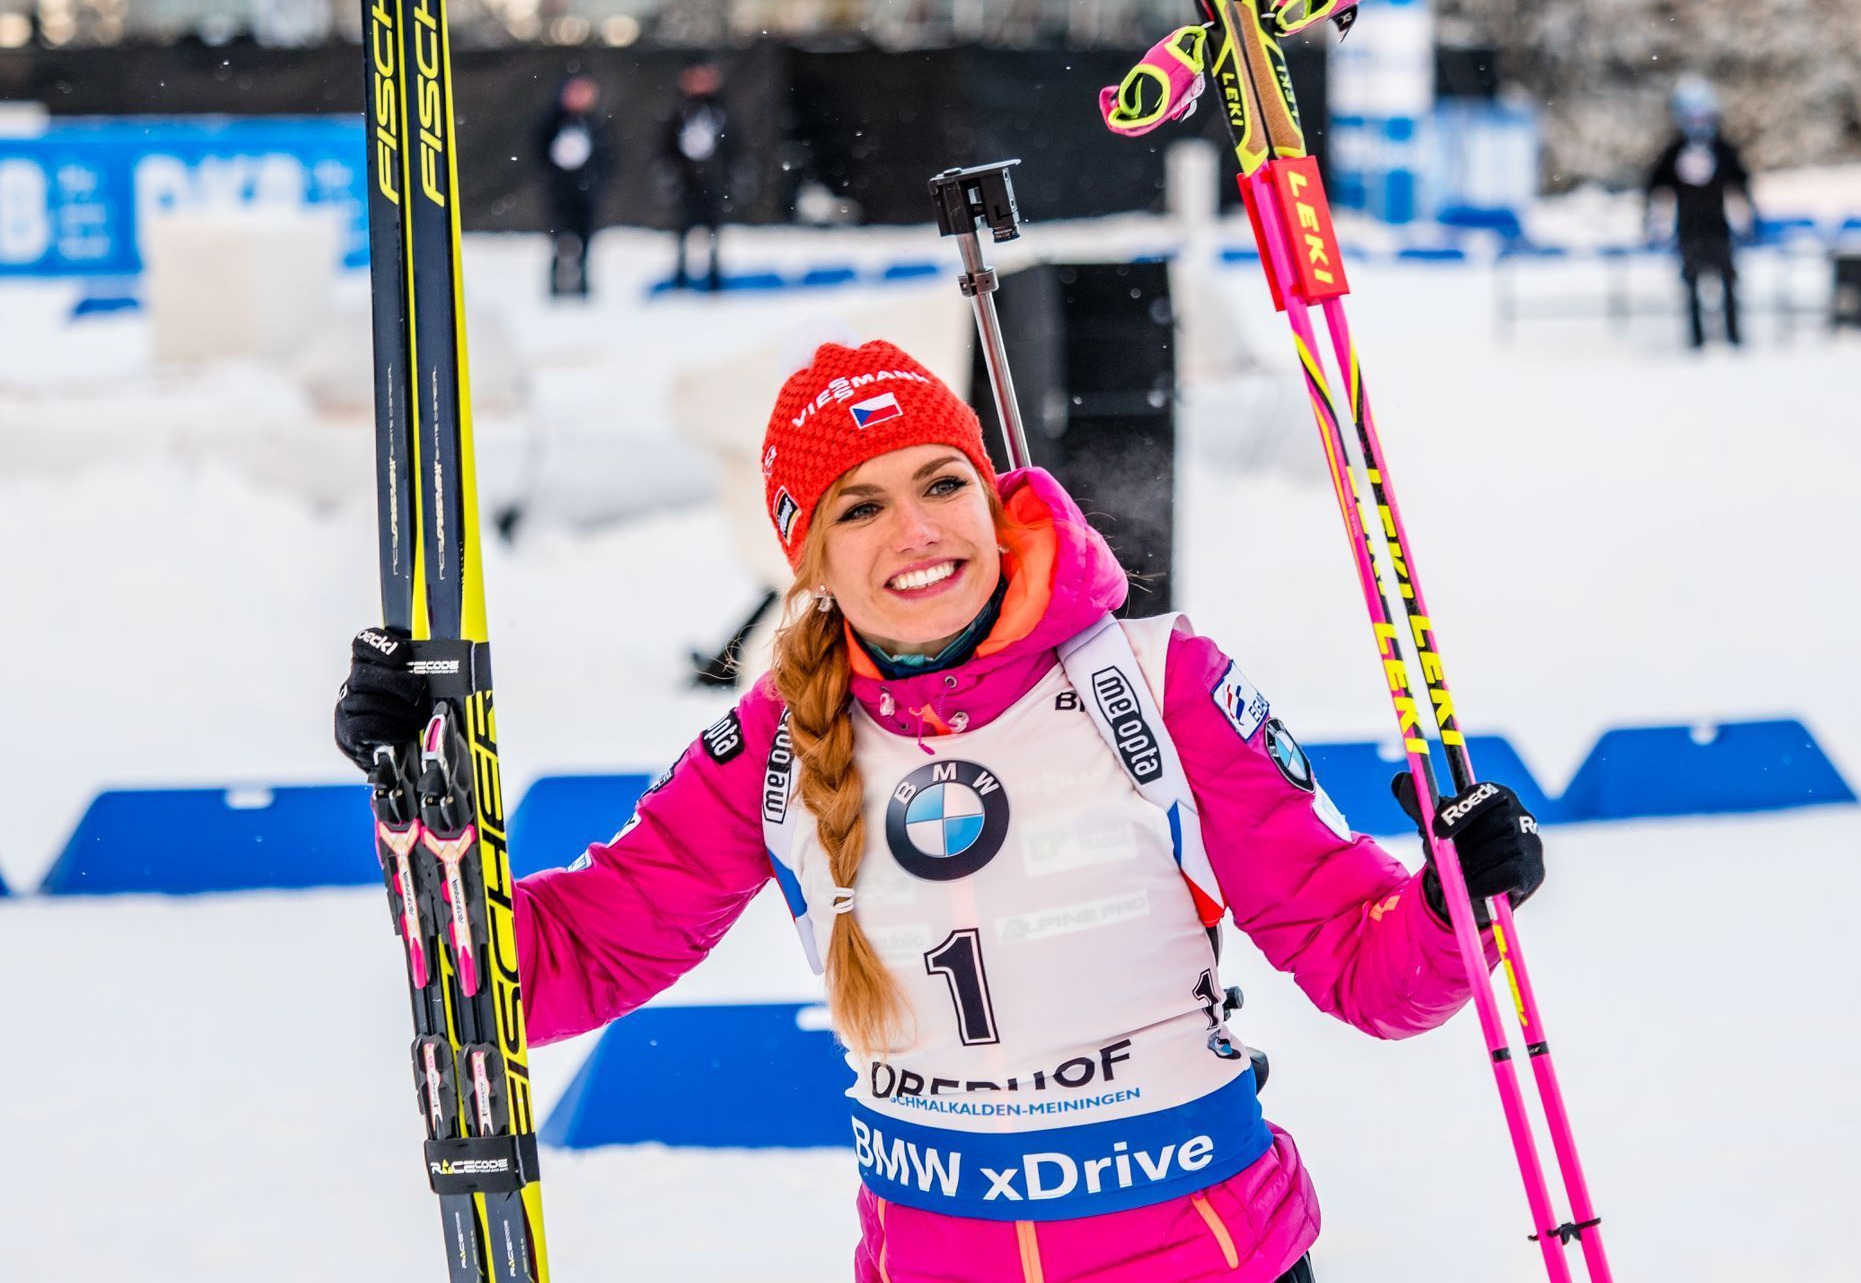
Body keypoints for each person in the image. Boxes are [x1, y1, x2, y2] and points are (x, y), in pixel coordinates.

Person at [335, 339, 1545, 1282]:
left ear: (993, 489)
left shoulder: (1160, 681)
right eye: (857, 507)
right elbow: (546, 970)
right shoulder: (768, 745)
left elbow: (1363, 968)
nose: (916, 530)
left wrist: (1452, 901)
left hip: (1212, 1255)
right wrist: (413, 799)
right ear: (805, 559)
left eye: (938, 481)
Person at [1645, 75, 1754, 350]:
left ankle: (1733, 337)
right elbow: (1656, 186)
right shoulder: (1673, 152)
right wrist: (1653, 219)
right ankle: (1696, 340)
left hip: (1718, 227)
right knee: (1692, 283)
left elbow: (1741, 182)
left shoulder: (1722, 149)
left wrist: (1747, 214)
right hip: (1688, 228)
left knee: (1727, 282)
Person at [535, 73, 611, 297]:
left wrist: (597, 183)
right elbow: (540, 153)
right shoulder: (552, 123)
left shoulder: (597, 125)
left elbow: (607, 158)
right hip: (559, 191)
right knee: (558, 236)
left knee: (585, 237)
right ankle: (555, 284)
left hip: (587, 192)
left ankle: (583, 283)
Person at [662, 62, 730, 291]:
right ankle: (680, 281)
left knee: (713, 235)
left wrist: (729, 177)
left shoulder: (721, 112)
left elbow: (733, 147)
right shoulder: (677, 112)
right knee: (682, 233)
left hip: (713, 183)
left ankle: (714, 281)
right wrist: (671, 175)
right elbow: (665, 148)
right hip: (686, 183)